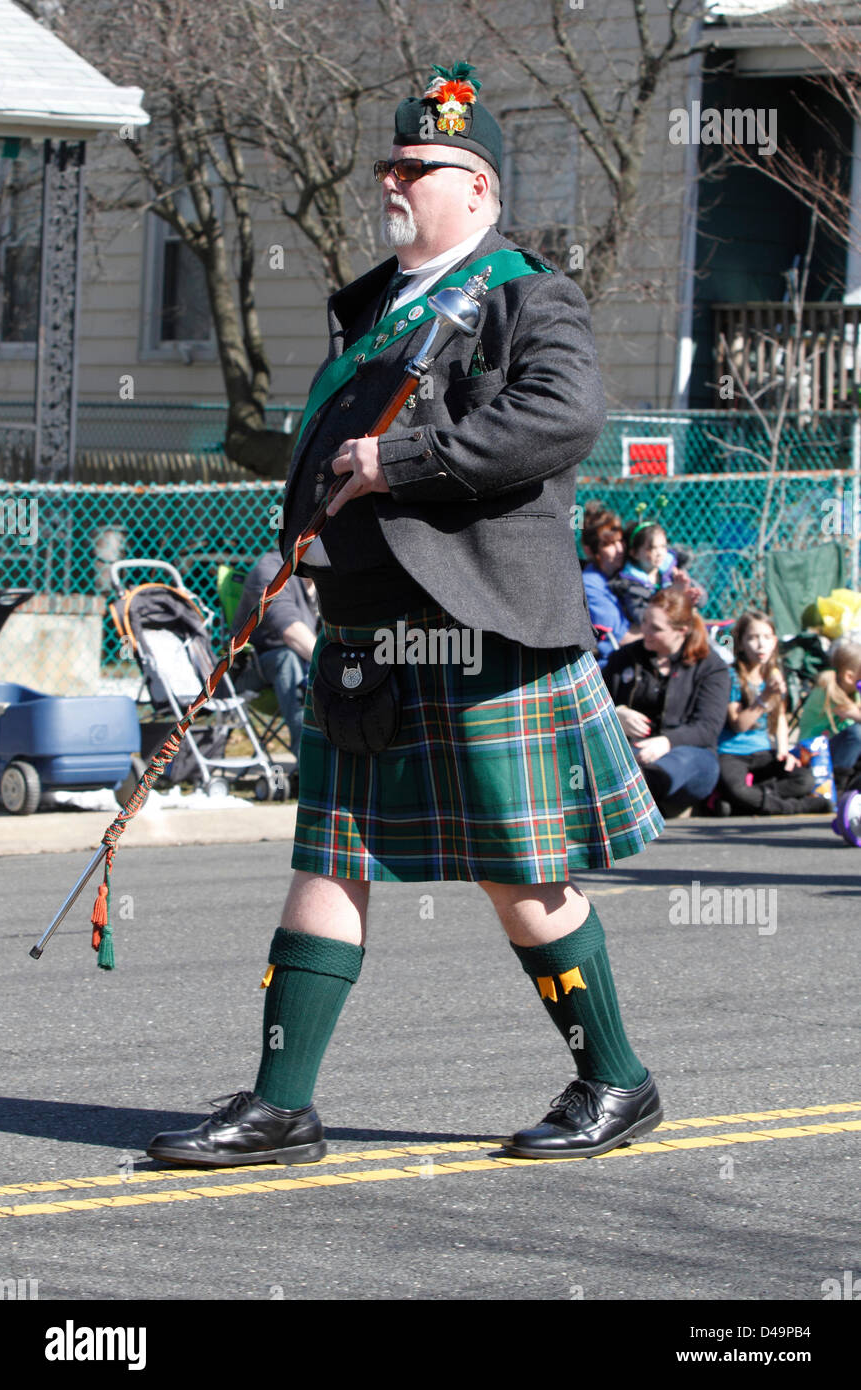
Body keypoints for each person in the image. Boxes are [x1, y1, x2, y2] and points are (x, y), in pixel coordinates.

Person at [147, 59, 665, 1170]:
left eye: (416, 166)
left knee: (521, 877)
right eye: (388, 162)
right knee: (328, 861)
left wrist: (403, 458)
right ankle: (282, 1107)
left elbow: (559, 422)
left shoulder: (527, 290)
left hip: (483, 632)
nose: (393, 179)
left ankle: (616, 1080)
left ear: (474, 188)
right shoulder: (377, 304)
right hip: (365, 632)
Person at [603, 589, 731, 813]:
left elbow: (707, 728)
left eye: (656, 629)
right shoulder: (624, 658)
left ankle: (637, 790)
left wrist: (667, 742)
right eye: (644, 623)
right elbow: (592, 707)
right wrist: (616, 714)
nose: (645, 631)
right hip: (630, 752)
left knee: (683, 761)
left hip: (686, 758)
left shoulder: (711, 666)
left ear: (681, 631)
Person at [716, 610, 830, 815]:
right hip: (733, 752)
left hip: (763, 752)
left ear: (775, 641)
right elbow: (738, 724)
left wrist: (784, 751)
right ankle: (799, 807)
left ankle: (744, 803)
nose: (761, 645)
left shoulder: (774, 673)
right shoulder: (731, 675)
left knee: (804, 780)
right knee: (737, 789)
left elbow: (780, 718)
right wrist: (765, 697)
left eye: (767, 637)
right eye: (752, 638)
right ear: (740, 643)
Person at [230, 554, 318, 767]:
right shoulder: (270, 570)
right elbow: (290, 631)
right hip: (253, 669)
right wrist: (334, 667)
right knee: (287, 659)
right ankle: (310, 767)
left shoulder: (328, 575)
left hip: (305, 666)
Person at [610, 516, 705, 633]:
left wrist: (690, 597)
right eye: (652, 548)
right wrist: (673, 594)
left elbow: (702, 599)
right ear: (634, 553)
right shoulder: (630, 584)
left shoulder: (674, 570)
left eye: (663, 546)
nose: (659, 553)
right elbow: (643, 618)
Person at [793, 636, 861, 792]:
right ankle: (837, 785)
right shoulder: (828, 691)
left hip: (833, 752)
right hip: (811, 754)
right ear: (849, 677)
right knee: (857, 733)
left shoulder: (853, 692)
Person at [580, 502, 631, 667]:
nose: (620, 549)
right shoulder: (590, 583)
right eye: (609, 544)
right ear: (590, 551)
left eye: (621, 541)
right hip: (613, 666)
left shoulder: (625, 573)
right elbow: (620, 638)